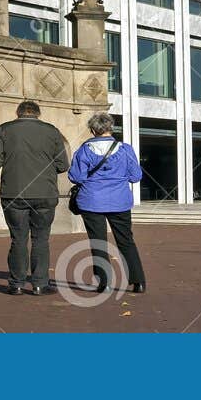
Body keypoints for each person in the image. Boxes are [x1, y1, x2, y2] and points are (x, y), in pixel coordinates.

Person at [0, 99, 69, 295]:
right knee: (41, 239)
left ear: (18, 113)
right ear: (38, 114)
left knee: (18, 239)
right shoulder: (52, 131)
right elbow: (63, 165)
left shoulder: (3, 130)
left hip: (14, 193)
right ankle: (40, 284)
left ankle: (17, 284)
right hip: (45, 194)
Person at [68, 113, 146, 293]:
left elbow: (76, 177)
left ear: (93, 130)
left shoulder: (84, 150)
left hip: (92, 201)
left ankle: (105, 282)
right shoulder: (126, 149)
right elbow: (136, 176)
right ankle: (138, 281)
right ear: (111, 128)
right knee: (126, 240)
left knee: (98, 241)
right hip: (119, 200)